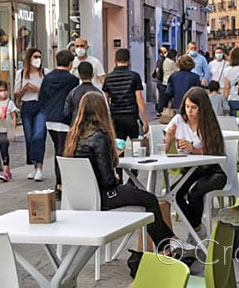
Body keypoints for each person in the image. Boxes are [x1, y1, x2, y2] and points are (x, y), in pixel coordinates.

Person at [64, 93, 179, 254]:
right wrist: (114, 170)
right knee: (150, 199)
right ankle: (167, 246)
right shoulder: (99, 136)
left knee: (140, 196)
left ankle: (168, 242)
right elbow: (107, 179)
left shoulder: (73, 136)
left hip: (79, 198)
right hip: (104, 196)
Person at [164, 87, 228, 235]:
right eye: (187, 106)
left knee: (195, 192)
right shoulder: (179, 120)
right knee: (173, 193)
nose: (189, 111)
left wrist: (194, 149)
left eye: (194, 107)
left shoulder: (208, 123)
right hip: (188, 171)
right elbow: (165, 149)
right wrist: (169, 136)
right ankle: (197, 228)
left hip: (211, 171)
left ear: (202, 108)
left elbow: (215, 153)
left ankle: (195, 231)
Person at [39, 49, 80, 195]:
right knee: (64, 153)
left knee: (58, 150)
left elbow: (41, 98)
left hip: (50, 119)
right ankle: (61, 184)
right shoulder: (73, 80)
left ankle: (60, 184)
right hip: (65, 120)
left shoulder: (48, 78)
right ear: (70, 63)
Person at [14, 47, 47, 181]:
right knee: (29, 138)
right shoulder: (20, 74)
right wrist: (25, 89)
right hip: (27, 106)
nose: (37, 60)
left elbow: (48, 92)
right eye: (35, 57)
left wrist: (37, 89)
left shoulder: (45, 73)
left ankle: (40, 167)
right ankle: (34, 166)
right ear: (29, 59)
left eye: (39, 57)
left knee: (39, 136)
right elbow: (16, 94)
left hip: (41, 106)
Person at [102, 48, 148, 140]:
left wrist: (106, 119)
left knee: (118, 147)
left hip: (115, 117)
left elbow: (105, 100)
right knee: (137, 147)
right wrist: (144, 120)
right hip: (132, 116)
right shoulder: (134, 76)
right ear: (129, 60)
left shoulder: (109, 78)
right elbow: (139, 99)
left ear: (115, 60)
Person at [0, 81, 18, 182]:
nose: (3, 93)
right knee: (2, 149)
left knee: (4, 148)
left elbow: (14, 116)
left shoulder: (10, 103)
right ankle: (8, 170)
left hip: (7, 130)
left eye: (5, 90)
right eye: (1, 90)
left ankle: (5, 171)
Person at [153, 45, 169, 114]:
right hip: (161, 80)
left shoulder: (161, 59)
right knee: (162, 96)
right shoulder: (161, 60)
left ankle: (159, 109)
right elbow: (158, 70)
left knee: (161, 95)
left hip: (160, 80)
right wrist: (160, 78)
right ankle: (160, 110)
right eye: (165, 52)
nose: (166, 53)